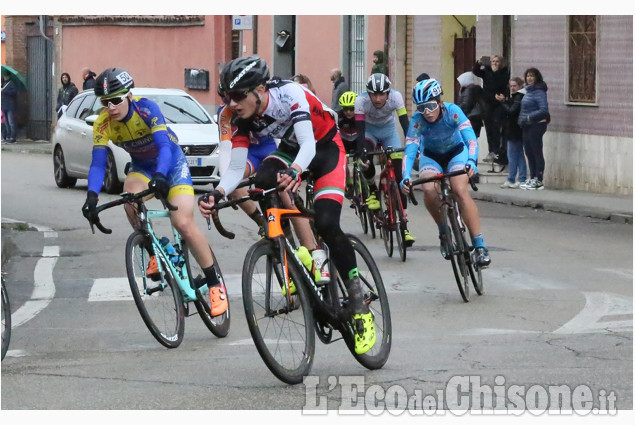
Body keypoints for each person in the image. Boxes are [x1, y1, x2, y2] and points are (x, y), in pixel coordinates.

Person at [198, 56, 376, 354]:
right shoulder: (238, 117)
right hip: (292, 149)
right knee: (263, 179)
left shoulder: (289, 94)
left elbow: (308, 144)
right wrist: (217, 194)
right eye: (228, 97)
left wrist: (295, 171)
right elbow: (235, 168)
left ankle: (359, 305)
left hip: (326, 148)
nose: (233, 103)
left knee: (328, 223)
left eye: (239, 96)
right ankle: (292, 252)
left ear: (260, 90)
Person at [81, 67, 228, 317]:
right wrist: (92, 197)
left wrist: (161, 175)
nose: (111, 107)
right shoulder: (103, 124)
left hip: (171, 164)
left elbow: (164, 146)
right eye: (105, 102)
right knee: (129, 199)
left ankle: (215, 284)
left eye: (116, 100)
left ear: (128, 96)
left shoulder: (147, 109)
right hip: (142, 168)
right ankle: (154, 252)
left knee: (182, 222)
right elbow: (97, 163)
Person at [401, 79, 491, 268]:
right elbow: (410, 151)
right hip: (431, 156)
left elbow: (471, 140)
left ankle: (479, 245)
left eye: (431, 106)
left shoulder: (453, 112)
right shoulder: (417, 121)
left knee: (459, 190)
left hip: (456, 153)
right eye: (422, 107)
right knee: (428, 189)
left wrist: (471, 161)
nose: (427, 112)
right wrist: (406, 176)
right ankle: (444, 231)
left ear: (440, 102)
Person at [354, 73, 415, 246]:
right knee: (365, 160)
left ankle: (404, 226)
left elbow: (405, 124)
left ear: (388, 94)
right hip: (369, 132)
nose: (378, 98)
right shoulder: (360, 102)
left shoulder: (396, 97)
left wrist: (412, 145)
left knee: (400, 176)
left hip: (389, 132)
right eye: (374, 94)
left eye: (382, 94)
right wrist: (362, 152)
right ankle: (373, 190)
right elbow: (359, 130)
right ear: (368, 94)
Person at [216, 82, 277, 233]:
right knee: (232, 184)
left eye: (233, 97)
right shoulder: (225, 114)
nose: (231, 104)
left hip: (269, 147)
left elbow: (278, 134)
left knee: (283, 192)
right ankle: (262, 222)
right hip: (250, 153)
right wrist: (225, 185)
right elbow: (225, 147)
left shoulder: (254, 104)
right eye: (225, 100)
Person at [472, 55, 510, 164]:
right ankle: (491, 151)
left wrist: (504, 97)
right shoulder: (486, 72)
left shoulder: (504, 73)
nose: (494, 63)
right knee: (489, 128)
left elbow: (506, 88)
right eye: (493, 61)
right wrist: (479, 63)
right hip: (488, 104)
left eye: (497, 61)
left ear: (501, 63)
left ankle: (498, 151)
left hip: (499, 104)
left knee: (497, 127)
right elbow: (475, 71)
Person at [518, 68, 549, 190]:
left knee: (536, 151)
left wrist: (530, 117)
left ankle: (539, 179)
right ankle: (532, 177)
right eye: (528, 76)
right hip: (526, 125)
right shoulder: (528, 91)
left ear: (537, 77)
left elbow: (543, 110)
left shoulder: (540, 92)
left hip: (537, 124)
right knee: (528, 152)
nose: (529, 78)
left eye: (532, 76)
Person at [496, 77, 527, 188]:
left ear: (520, 86)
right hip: (513, 128)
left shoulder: (519, 96)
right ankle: (518, 178)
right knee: (517, 154)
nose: (512, 88)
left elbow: (511, 111)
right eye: (511, 86)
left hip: (515, 129)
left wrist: (503, 102)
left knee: (513, 155)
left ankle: (515, 178)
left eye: (515, 86)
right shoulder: (516, 96)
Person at [337, 91, 359, 198]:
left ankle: (362, 182)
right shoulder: (339, 117)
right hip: (344, 141)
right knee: (343, 162)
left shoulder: (360, 116)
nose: (348, 112)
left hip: (357, 141)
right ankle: (349, 183)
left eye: (352, 109)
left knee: (361, 161)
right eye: (345, 109)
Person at [457, 72, 487, 139]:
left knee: (467, 141)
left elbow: (466, 105)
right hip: (476, 120)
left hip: (470, 119)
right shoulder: (477, 89)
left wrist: (456, 111)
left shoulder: (469, 90)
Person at [1, 72, 19, 144]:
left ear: (9, 76)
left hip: (10, 105)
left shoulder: (11, 84)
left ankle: (13, 137)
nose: (5, 77)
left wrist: (4, 91)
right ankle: (8, 136)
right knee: (6, 122)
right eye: (4, 76)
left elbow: (14, 93)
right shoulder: (3, 84)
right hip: (4, 105)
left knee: (11, 122)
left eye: (6, 76)